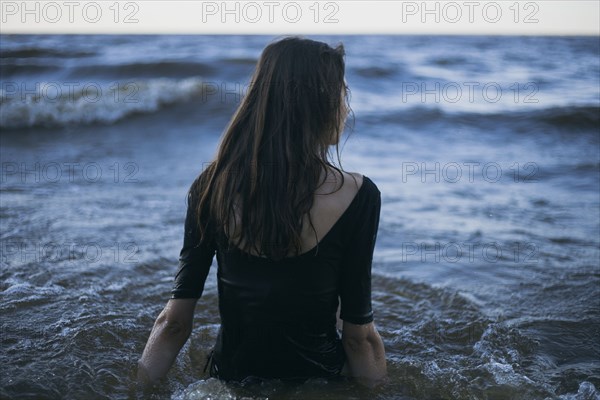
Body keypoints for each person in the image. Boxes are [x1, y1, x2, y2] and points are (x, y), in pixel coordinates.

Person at [138, 36, 387, 387]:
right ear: (319, 104)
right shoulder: (359, 196)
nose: (346, 108)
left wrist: (138, 391)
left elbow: (174, 322)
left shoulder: (212, 188)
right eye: (341, 94)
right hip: (319, 385)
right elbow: (358, 337)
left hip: (231, 382)